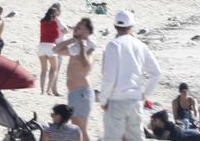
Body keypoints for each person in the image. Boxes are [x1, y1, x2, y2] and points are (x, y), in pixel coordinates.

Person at [100, 9, 162, 141]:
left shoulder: (113, 45)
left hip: (116, 100)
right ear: (132, 26)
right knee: (136, 138)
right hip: (135, 100)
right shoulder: (140, 45)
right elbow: (156, 73)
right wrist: (144, 95)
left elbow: (109, 77)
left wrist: (103, 99)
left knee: (112, 138)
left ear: (115, 26)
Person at [54, 17, 96, 140]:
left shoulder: (90, 47)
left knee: (80, 130)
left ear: (87, 32)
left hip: (82, 93)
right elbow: (56, 50)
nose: (77, 26)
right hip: (74, 93)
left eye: (81, 26)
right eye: (77, 24)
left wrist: (82, 46)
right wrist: (73, 39)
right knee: (77, 129)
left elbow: (87, 66)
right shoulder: (75, 46)